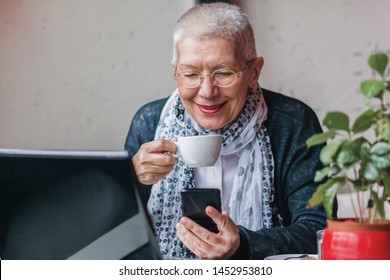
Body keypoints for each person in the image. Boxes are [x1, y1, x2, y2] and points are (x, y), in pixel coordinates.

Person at [125, 2, 328, 260]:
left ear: (254, 72)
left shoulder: (292, 123)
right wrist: (130, 181)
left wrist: (245, 245)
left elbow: (318, 230)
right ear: (175, 72)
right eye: (190, 74)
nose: (207, 91)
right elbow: (117, 234)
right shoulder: (150, 122)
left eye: (223, 73)